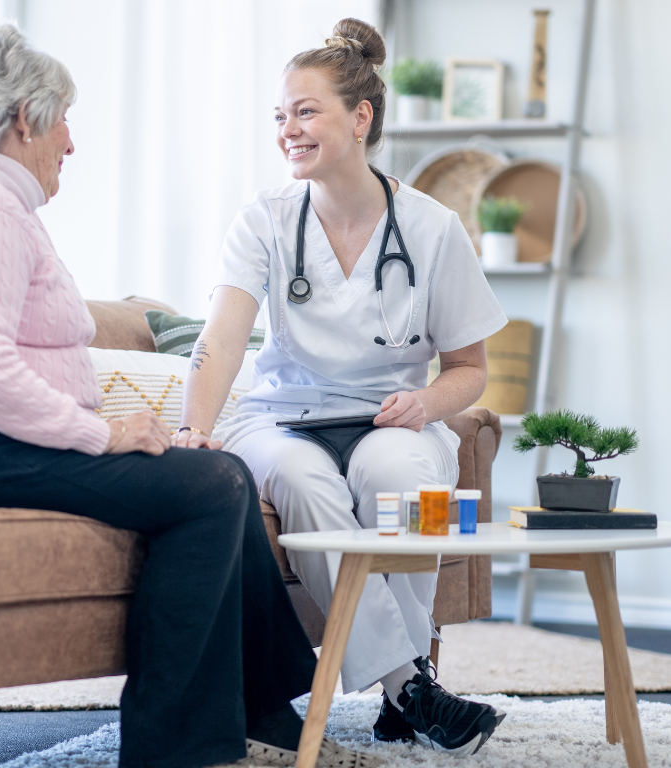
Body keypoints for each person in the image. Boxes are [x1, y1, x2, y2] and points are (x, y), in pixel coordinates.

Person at [0, 22, 386, 768]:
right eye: (63, 118)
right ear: (24, 120)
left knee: (214, 473)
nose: (71, 141)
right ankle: (177, 742)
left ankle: (255, 705)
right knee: (211, 483)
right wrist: (99, 434)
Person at [172, 18, 509, 757]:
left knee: (406, 474)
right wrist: (194, 429)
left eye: (305, 111)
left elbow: (470, 368)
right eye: (280, 116)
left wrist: (426, 404)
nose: (288, 130)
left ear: (360, 118)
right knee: (302, 483)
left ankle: (403, 691)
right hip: (283, 420)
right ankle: (408, 689)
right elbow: (222, 337)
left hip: (391, 420)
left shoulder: (432, 228)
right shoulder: (263, 220)